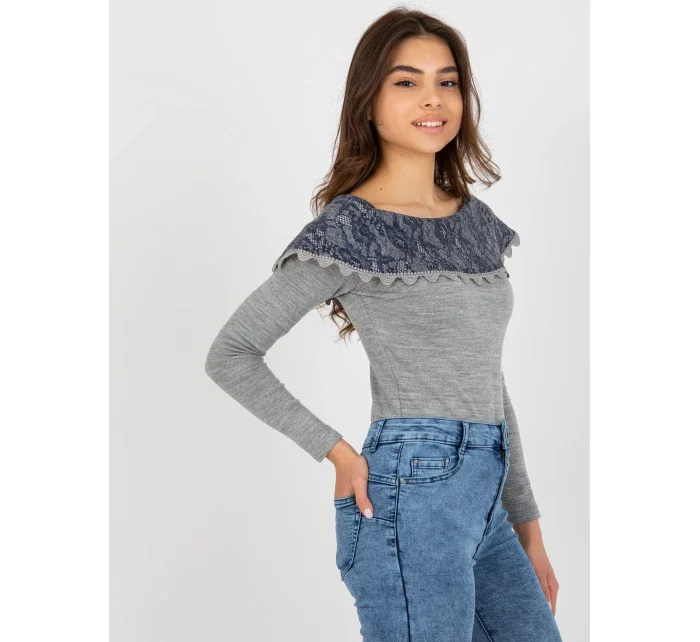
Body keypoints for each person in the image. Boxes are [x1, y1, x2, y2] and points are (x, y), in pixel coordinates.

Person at [205, 8, 563, 641]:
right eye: (406, 82)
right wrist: (336, 452)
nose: (432, 98)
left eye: (447, 81)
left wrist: (528, 528)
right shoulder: (350, 230)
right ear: (368, 102)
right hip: (410, 493)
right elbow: (232, 353)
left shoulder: (476, 224)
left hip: (490, 502)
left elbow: (487, 380)